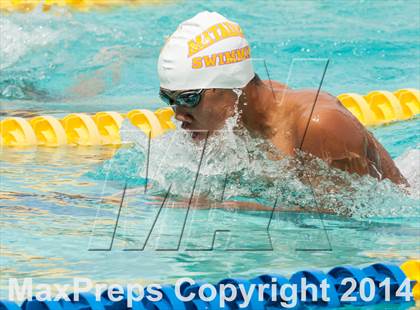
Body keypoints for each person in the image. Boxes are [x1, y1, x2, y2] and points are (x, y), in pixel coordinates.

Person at [157, 11, 407, 186]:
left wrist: (223, 205)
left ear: (232, 85)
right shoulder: (231, 122)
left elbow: (348, 221)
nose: (178, 115)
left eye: (189, 99)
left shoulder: (318, 125)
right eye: (169, 99)